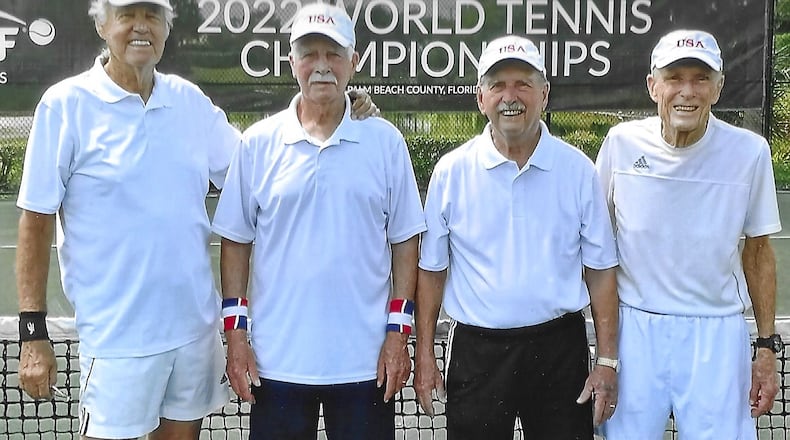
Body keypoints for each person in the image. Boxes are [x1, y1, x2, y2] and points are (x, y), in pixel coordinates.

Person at [15, 1, 376, 439]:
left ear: (166, 30)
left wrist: (331, 109)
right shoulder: (65, 105)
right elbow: (35, 219)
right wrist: (32, 332)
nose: (140, 28)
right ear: (102, 24)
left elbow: (257, 164)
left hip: (192, 335)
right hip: (116, 342)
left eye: (152, 17)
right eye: (128, 15)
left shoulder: (188, 101)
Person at [211, 3, 426, 440]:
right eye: (310, 54)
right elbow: (235, 244)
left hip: (367, 365)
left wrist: (397, 335)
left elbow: (405, 243)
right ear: (292, 62)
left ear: (354, 61)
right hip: (276, 366)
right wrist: (236, 339)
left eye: (334, 54)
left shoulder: (385, 141)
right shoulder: (257, 144)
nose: (322, 67)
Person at [414, 35, 620, 439]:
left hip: (560, 349)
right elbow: (432, 272)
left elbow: (600, 272)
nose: (511, 96)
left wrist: (608, 361)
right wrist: (424, 354)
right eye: (497, 85)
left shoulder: (578, 171)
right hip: (477, 353)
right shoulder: (451, 172)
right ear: (481, 98)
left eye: (523, 83)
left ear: (544, 94)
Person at [595, 29, 782, 439]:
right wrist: (604, 353)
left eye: (701, 79)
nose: (687, 91)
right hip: (635, 334)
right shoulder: (620, 144)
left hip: (717, 334)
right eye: (674, 77)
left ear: (718, 88)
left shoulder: (751, 152)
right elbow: (597, 251)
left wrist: (767, 346)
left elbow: (758, 253)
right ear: (652, 86)